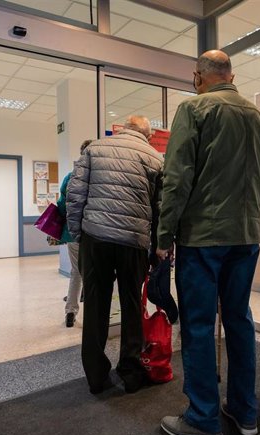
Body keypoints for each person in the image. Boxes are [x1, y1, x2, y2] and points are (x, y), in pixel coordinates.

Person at [156, 50, 260, 435]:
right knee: (239, 319)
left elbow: (177, 179)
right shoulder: (258, 117)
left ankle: (204, 419)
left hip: (203, 238)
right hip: (246, 236)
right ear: (231, 75)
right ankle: (244, 410)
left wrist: (163, 235)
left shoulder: (194, 109)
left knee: (200, 325)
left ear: (197, 77)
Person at [67, 115, 163, 394]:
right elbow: (159, 207)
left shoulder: (94, 149)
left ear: (121, 129)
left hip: (95, 238)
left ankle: (97, 376)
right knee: (132, 305)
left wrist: (78, 233)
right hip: (133, 241)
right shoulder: (155, 158)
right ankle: (131, 373)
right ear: (147, 135)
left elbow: (76, 195)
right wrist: (156, 246)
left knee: (96, 304)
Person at [57, 140, 93, 328]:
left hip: (73, 233)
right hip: (94, 233)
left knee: (76, 272)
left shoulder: (70, 177)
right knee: (95, 273)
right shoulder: (97, 177)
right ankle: (95, 315)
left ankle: (71, 311)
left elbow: (62, 205)